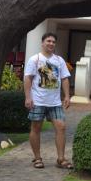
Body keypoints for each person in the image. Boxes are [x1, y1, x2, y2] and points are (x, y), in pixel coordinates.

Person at [24, 32, 72, 169]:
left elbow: (64, 79)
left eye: (53, 42)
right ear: (42, 42)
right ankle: (37, 158)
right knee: (36, 128)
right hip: (38, 101)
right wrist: (28, 97)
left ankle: (61, 159)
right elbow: (28, 79)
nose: (51, 43)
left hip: (55, 102)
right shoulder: (35, 59)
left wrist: (67, 96)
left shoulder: (59, 60)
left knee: (61, 127)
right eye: (48, 41)